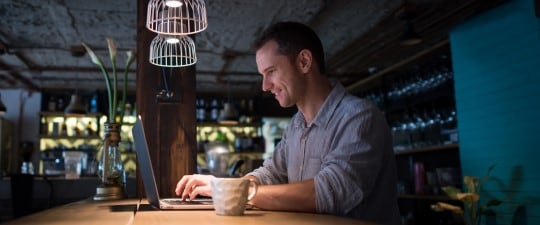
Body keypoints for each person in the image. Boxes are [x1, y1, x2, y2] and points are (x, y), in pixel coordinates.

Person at [176, 21, 401, 225]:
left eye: (271, 71)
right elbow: (270, 174)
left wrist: (233, 192)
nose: (264, 86)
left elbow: (330, 193)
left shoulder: (359, 117)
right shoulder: (295, 125)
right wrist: (225, 188)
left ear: (304, 62)